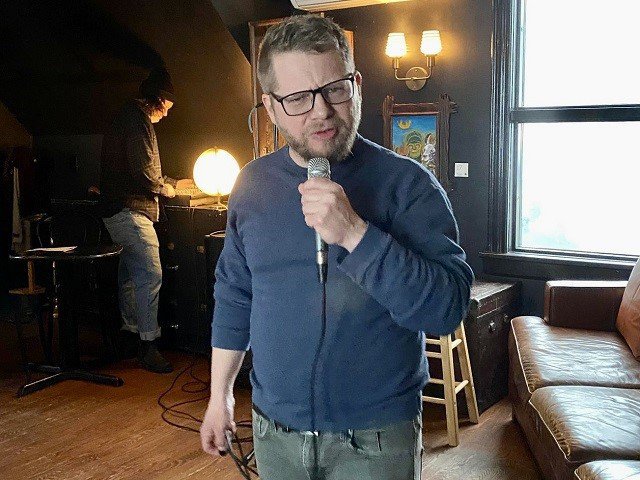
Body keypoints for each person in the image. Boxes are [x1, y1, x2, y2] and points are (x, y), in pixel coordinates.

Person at [200, 15, 473, 480]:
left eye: (335, 88)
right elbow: (234, 296)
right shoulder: (252, 186)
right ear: (270, 106)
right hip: (274, 433)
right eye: (298, 98)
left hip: (376, 439)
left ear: (358, 85)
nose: (321, 110)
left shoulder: (409, 186)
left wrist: (354, 234)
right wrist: (219, 394)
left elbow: (445, 309)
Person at [100, 66, 193, 374]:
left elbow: (139, 168)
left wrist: (172, 181)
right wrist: (165, 187)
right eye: (165, 108)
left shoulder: (126, 116)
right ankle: (148, 345)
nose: (166, 115)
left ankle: (128, 335)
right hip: (131, 211)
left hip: (115, 209)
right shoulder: (138, 123)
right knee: (150, 274)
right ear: (155, 100)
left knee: (129, 275)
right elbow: (143, 173)